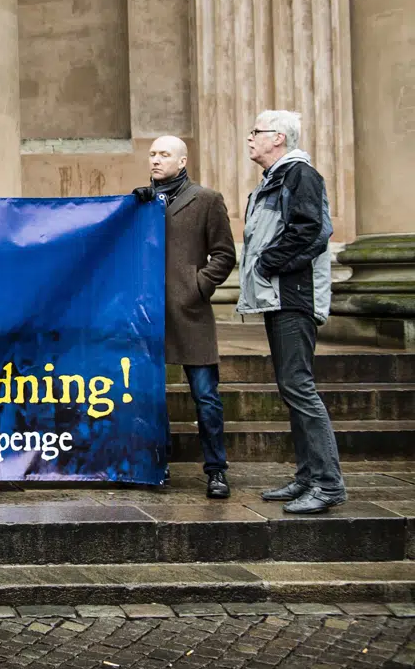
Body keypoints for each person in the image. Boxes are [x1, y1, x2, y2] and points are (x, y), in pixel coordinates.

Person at [236, 110, 344, 514]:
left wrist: (267, 264)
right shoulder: (276, 178)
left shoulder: (300, 174)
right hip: (279, 297)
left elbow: (313, 230)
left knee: (298, 386)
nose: (250, 138)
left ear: (278, 138)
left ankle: (328, 484)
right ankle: (307, 476)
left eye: (257, 131)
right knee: (291, 387)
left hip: (293, 297)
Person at [134, 135, 236, 499]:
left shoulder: (206, 199)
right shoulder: (141, 201)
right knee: (149, 395)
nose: (155, 160)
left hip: (190, 312)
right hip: (148, 314)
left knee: (205, 396)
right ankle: (155, 464)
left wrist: (197, 286)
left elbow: (224, 255)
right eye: (152, 154)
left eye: (164, 154)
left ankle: (216, 470)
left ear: (182, 161)